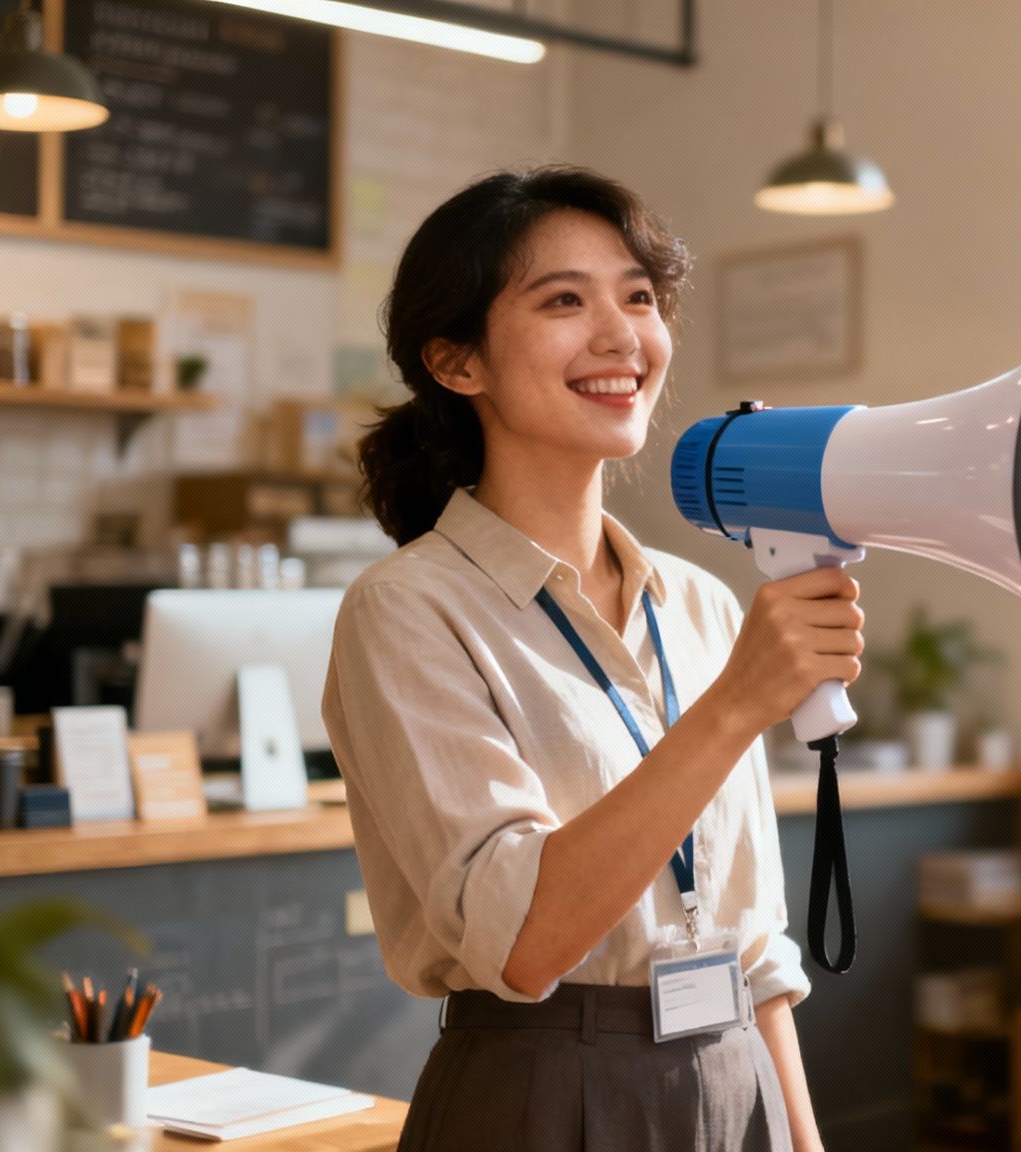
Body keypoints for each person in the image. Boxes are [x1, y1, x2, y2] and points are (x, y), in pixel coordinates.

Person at [322, 168, 862, 1151]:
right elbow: (524, 944)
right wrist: (737, 704)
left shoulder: (698, 602)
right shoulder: (406, 609)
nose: (622, 336)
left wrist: (801, 1138)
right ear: (455, 362)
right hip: (542, 1092)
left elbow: (754, 948)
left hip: (738, 1076)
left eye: (640, 297)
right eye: (564, 300)